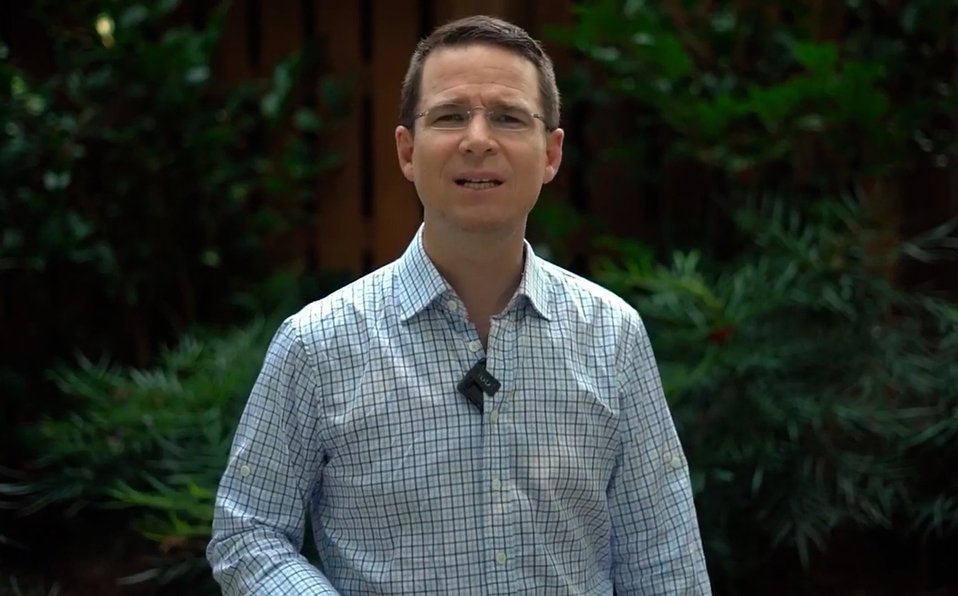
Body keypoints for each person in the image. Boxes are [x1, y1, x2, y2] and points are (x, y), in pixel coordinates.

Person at [207, 14, 712, 595]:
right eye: (449, 116)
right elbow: (248, 533)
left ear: (551, 154)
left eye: (508, 117)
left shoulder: (612, 335)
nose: (478, 139)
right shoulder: (317, 345)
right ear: (407, 151)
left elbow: (664, 558)